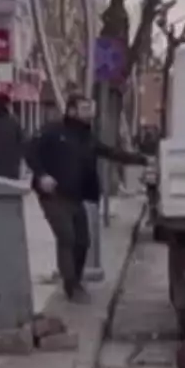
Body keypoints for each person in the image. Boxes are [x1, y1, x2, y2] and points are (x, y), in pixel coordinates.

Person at [25, 93, 147, 303]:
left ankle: (77, 279)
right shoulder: (52, 131)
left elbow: (109, 152)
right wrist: (41, 175)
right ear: (72, 110)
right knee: (67, 237)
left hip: (76, 197)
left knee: (83, 241)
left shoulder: (87, 137)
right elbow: (29, 150)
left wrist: (140, 159)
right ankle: (71, 285)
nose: (90, 113)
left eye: (91, 109)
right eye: (85, 108)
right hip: (53, 195)